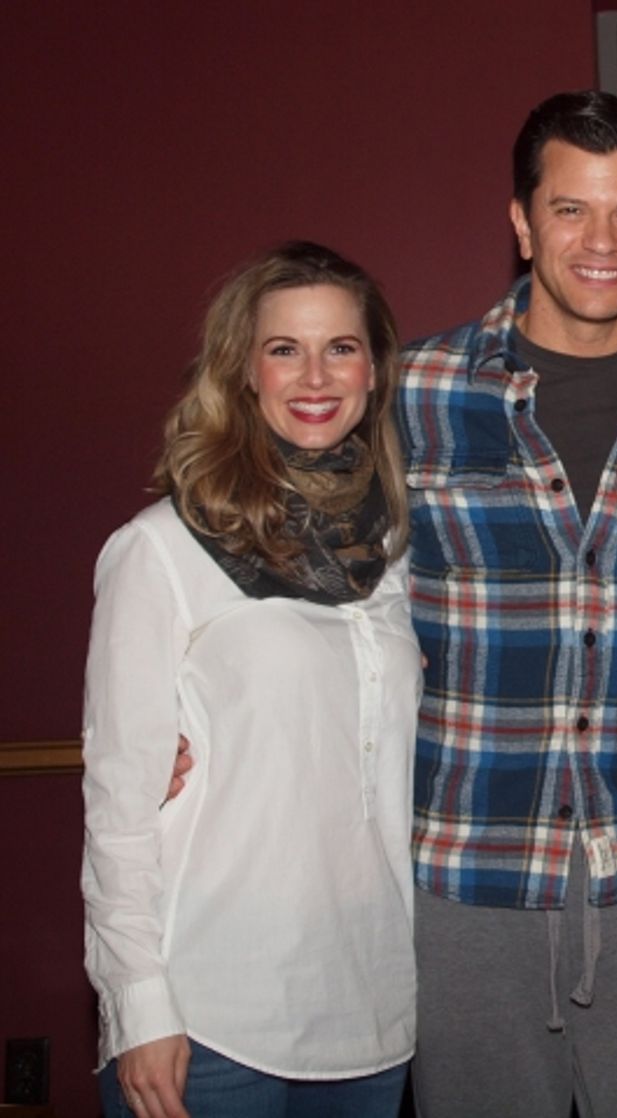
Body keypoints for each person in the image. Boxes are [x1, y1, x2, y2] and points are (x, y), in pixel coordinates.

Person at [397, 91, 617, 1116]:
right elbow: (333, 592)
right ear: (519, 219)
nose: (601, 241)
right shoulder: (417, 387)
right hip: (466, 869)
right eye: (569, 209)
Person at [82, 242, 419, 1116]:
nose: (315, 375)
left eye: (340, 347)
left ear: (376, 370)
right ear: (242, 372)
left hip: (375, 1011)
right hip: (213, 1017)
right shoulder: (160, 549)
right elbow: (119, 808)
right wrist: (138, 1004)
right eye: (283, 349)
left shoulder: (402, 555)